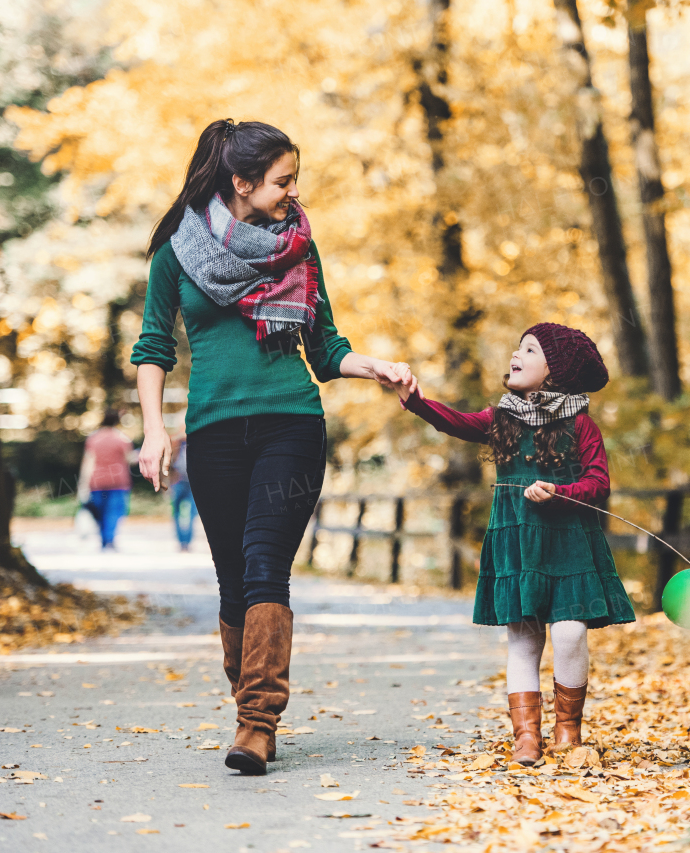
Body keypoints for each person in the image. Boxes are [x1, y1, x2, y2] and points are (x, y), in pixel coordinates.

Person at [131, 119, 416, 776]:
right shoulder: (177, 254)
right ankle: (247, 707)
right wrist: (153, 428)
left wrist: (375, 365)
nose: (292, 192)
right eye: (282, 180)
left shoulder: (300, 249)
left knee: (265, 565)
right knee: (233, 579)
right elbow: (153, 349)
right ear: (241, 182)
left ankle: (257, 722)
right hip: (212, 434)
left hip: (291, 424)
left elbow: (326, 348)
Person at [383, 323, 635, 766]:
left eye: (530, 350)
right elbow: (457, 422)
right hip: (517, 538)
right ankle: (527, 737)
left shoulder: (581, 422)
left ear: (554, 370)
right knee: (522, 635)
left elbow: (598, 483)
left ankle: (568, 732)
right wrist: (414, 400)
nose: (516, 355)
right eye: (518, 347)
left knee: (571, 632)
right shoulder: (503, 417)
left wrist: (562, 493)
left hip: (569, 541)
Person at [78, 408, 135, 551]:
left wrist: (82, 483)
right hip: (118, 481)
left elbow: (88, 463)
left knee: (100, 511)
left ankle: (104, 539)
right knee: (114, 512)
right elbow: (129, 459)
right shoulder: (122, 438)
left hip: (97, 482)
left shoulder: (93, 438)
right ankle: (109, 539)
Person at [169, 431, 196, 551]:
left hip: (192, 482)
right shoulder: (175, 442)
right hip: (179, 481)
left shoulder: (197, 440)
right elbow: (169, 463)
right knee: (177, 512)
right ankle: (182, 541)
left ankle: (186, 542)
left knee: (190, 513)